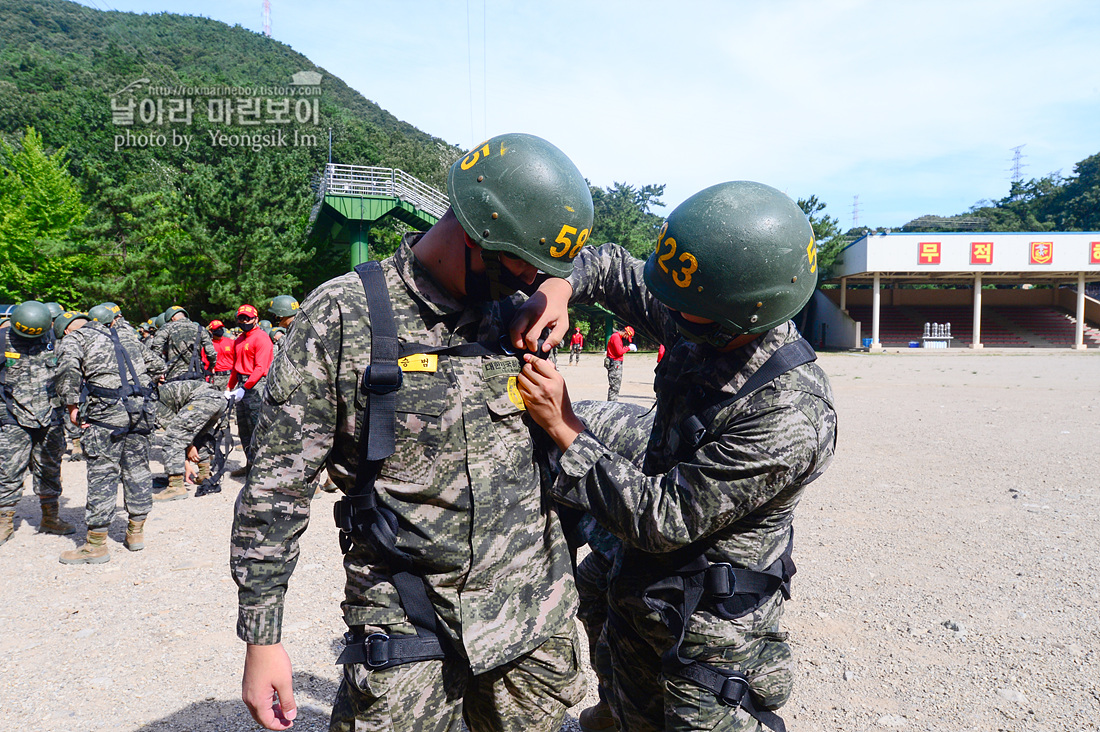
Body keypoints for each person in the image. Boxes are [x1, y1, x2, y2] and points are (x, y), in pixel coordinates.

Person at [231, 132, 594, 732]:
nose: (529, 281)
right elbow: (276, 490)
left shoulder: (515, 308)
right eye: (521, 265)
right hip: (407, 614)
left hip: (530, 617)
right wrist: (261, 638)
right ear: (474, 234)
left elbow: (586, 262)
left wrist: (559, 284)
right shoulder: (345, 316)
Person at [514, 181, 838, 732]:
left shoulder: (789, 414)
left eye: (688, 313)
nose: (671, 315)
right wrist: (561, 287)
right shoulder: (704, 319)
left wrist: (565, 426)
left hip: (704, 617)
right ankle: (616, 709)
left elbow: (663, 517)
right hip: (643, 580)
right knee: (621, 675)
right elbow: (617, 269)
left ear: (742, 314)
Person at [56, 302, 166, 563]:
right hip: (140, 413)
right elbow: (158, 365)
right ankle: (136, 533)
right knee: (138, 470)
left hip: (105, 416)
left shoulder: (77, 339)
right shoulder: (128, 335)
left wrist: (72, 405)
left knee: (103, 475)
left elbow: (67, 372)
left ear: (66, 330)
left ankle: (96, 546)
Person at [0, 301, 75, 546]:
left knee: (50, 468)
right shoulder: (2, 339)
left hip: (50, 415)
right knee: (9, 469)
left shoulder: (56, 339)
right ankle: (4, 522)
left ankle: (50, 518)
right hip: (13, 416)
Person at [226, 304, 273, 478]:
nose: (244, 321)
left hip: (256, 386)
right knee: (243, 429)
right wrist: (229, 387)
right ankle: (251, 464)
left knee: (258, 429)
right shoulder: (238, 340)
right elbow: (235, 367)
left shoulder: (261, 338)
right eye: (241, 318)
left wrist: (244, 388)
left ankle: (262, 471)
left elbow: (261, 368)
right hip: (242, 385)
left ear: (256, 319)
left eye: (248, 318)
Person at [603, 325, 635, 401]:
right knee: (614, 387)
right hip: (615, 364)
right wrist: (628, 348)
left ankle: (612, 403)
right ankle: (611, 404)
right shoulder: (616, 337)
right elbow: (619, 352)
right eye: (627, 336)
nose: (627, 338)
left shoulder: (617, 337)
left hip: (615, 364)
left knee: (616, 387)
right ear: (625, 333)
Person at [208, 319, 236, 391]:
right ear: (211, 331)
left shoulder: (231, 342)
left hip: (231, 376)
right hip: (217, 377)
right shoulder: (208, 345)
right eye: (217, 329)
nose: (219, 330)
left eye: (221, 328)